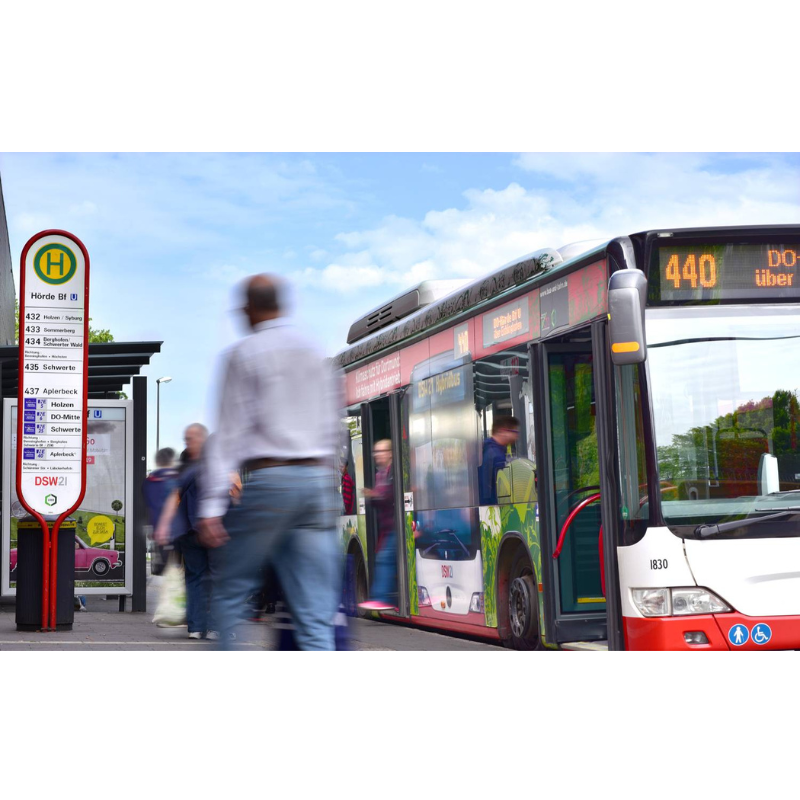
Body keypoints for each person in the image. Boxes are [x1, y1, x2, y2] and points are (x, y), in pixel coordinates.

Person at [198, 274, 342, 651]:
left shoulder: (243, 354)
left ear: (248, 309)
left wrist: (212, 506)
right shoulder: (313, 350)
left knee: (232, 591)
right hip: (316, 483)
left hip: (271, 480)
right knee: (314, 612)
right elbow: (333, 427)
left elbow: (229, 432)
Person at [155, 424, 213, 639]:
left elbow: (174, 496)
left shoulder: (187, 470)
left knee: (195, 577)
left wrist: (165, 525)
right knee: (215, 577)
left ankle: (196, 627)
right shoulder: (220, 467)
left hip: (189, 529)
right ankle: (214, 626)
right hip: (214, 530)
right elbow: (235, 494)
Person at [358, 439, 397, 612]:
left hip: (397, 526)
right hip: (387, 527)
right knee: (385, 559)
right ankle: (382, 597)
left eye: (380, 452)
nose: (377, 456)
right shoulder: (380, 474)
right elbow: (380, 501)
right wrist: (373, 497)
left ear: (390, 453)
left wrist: (373, 495)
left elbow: (389, 496)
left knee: (385, 559)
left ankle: (381, 598)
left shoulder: (395, 471)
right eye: (375, 452)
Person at [142, 447, 179, 576]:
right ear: (173, 460)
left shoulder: (148, 482)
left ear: (157, 462)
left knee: (165, 570)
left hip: (157, 531)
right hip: (178, 532)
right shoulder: (176, 480)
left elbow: (147, 506)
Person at [478, 416, 520, 505]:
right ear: (503, 431)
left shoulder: (487, 449)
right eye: (514, 432)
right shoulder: (496, 456)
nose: (517, 435)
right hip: (494, 508)